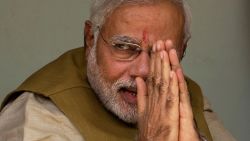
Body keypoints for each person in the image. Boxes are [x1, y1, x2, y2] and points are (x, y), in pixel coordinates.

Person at [0, 0, 236, 141]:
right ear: (90, 38)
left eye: (162, 54)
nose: (143, 70)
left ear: (182, 51)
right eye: (124, 47)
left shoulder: (188, 97)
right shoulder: (37, 116)